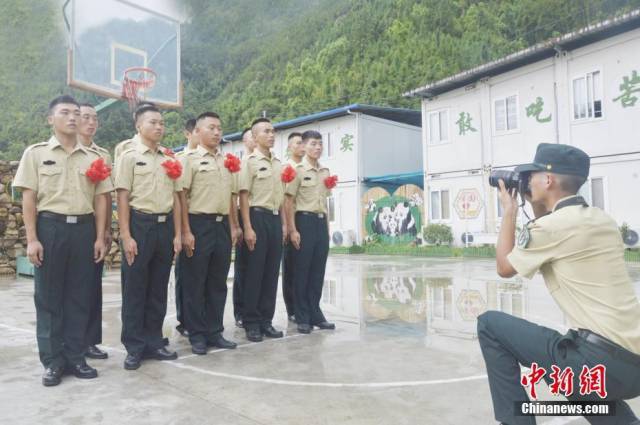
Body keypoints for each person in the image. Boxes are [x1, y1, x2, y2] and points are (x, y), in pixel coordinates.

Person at [478, 143, 640, 425]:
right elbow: (555, 228)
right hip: (632, 367)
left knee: (489, 325)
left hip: (599, 360)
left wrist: (510, 210)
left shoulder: (553, 229)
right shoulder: (603, 220)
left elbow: (504, 267)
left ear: (548, 180)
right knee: (573, 377)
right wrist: (536, 202)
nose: (527, 182)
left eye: (532, 176)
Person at [13, 95, 112, 386]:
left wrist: (98, 236)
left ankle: (76, 357)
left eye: (77, 113)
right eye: (65, 113)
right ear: (50, 119)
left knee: (79, 297)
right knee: (49, 298)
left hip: (83, 229)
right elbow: (29, 199)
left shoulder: (94, 158)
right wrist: (32, 239)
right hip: (51, 228)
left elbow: (101, 200)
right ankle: (53, 361)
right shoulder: (36, 153)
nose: (73, 118)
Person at [115, 103, 183, 370]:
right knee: (135, 289)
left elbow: (177, 200)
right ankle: (134, 346)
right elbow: (122, 196)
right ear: (138, 125)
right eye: (153, 122)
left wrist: (177, 234)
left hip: (165, 226)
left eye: (162, 123)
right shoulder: (129, 156)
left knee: (157, 288)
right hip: (140, 225)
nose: (158, 127)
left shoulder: (170, 158)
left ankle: (154, 341)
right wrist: (126, 235)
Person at [178, 112, 241, 354]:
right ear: (199, 131)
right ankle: (196, 334)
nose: (217, 132)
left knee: (217, 281)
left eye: (219, 128)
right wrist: (185, 230)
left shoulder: (226, 162)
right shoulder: (189, 159)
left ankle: (215, 331)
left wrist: (234, 226)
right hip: (198, 223)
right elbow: (181, 197)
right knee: (195, 281)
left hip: (222, 225)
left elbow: (231, 198)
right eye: (211, 128)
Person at [237, 118, 286, 342]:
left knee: (271, 273)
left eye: (273, 131)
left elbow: (283, 197)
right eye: (266, 131)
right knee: (254, 272)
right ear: (255, 137)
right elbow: (244, 196)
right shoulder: (248, 162)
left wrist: (284, 224)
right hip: (257, 217)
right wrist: (247, 227)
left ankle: (266, 320)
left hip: (275, 219)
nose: (272, 134)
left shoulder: (278, 163)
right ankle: (251, 322)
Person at [284, 130, 335, 334]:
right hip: (303, 221)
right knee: (302, 272)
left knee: (317, 272)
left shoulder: (325, 171)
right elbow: (288, 201)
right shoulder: (296, 169)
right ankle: (302, 316)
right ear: (304, 146)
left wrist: (328, 229)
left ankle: (316, 312)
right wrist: (292, 229)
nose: (318, 147)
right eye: (313, 144)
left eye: (320, 144)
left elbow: (326, 202)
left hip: (320, 223)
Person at [77, 103, 112, 361]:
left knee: (91, 286)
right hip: (68, 223)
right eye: (86, 117)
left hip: (93, 225)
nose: (91, 122)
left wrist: (107, 229)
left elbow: (105, 196)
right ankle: (71, 342)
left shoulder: (102, 155)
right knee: (69, 287)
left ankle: (89, 341)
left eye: (95, 118)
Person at [174, 117, 197, 337]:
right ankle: (186, 321)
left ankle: (202, 323)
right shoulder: (181, 160)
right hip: (190, 220)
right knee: (188, 277)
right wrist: (182, 230)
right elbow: (180, 197)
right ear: (189, 134)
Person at [232, 127, 256, 328]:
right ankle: (240, 310)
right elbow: (238, 197)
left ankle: (257, 313)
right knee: (243, 268)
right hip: (244, 215)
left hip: (264, 217)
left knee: (258, 270)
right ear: (245, 141)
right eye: (252, 137)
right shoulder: (241, 164)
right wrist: (238, 225)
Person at [281, 132, 305, 323]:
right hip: (293, 221)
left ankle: (305, 307)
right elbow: (285, 200)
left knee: (305, 269)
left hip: (307, 222)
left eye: (303, 143)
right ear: (290, 147)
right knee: (292, 268)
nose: (302, 146)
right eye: (298, 143)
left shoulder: (307, 168)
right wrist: (288, 227)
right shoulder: (286, 168)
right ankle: (292, 309)